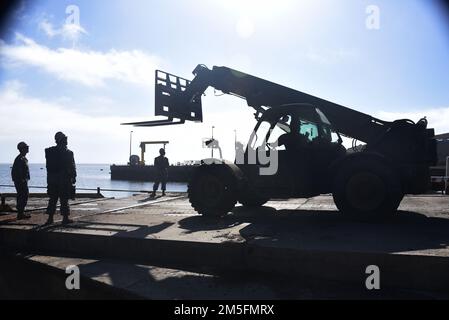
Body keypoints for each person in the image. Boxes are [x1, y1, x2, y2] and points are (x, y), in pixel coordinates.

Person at [45, 132, 77, 225]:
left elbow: (48, 167)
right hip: (63, 179)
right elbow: (72, 166)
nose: (67, 140)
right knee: (64, 199)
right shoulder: (68, 153)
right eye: (65, 139)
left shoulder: (50, 151)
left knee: (53, 199)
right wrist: (73, 177)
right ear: (61, 140)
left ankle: (50, 218)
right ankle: (65, 218)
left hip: (52, 179)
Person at [11, 142, 31, 220]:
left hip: (22, 180)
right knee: (22, 195)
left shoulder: (23, 158)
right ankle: (20, 213)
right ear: (22, 149)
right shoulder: (20, 159)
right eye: (26, 147)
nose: (27, 148)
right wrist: (21, 180)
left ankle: (21, 212)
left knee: (23, 195)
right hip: (20, 181)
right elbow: (18, 171)